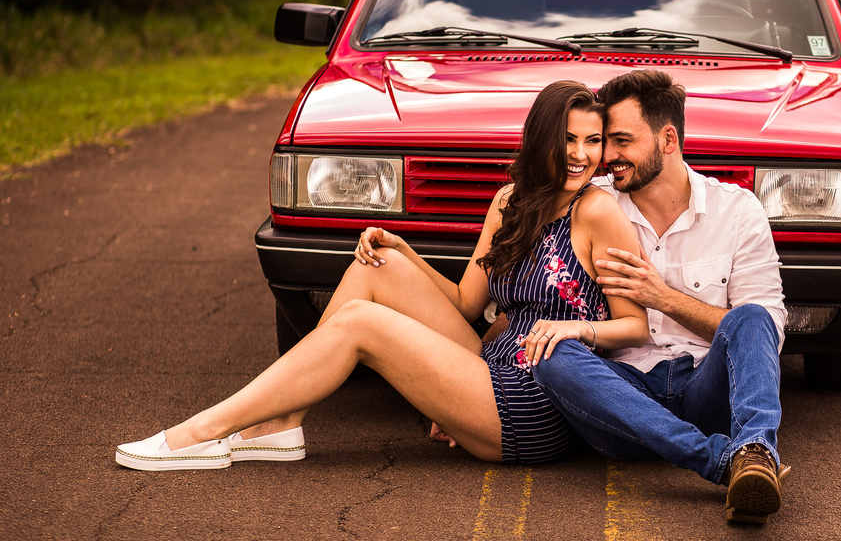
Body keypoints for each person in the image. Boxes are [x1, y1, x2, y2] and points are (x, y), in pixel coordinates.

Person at [115, 80, 648, 471]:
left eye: (593, 141)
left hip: (535, 404)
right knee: (378, 263)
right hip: (490, 368)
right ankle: (282, 423)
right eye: (568, 139)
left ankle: (203, 431)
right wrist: (404, 250)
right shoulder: (511, 200)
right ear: (540, 138)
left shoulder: (598, 213)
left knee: (360, 323)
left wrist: (573, 329)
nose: (581, 155)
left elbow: (636, 327)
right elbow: (465, 303)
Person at [528, 69, 790, 524]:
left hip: (707, 388)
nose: (607, 156)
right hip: (622, 397)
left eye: (622, 141)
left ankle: (754, 449)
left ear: (668, 139)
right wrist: (469, 401)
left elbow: (767, 333)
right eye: (606, 142)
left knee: (752, 316)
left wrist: (665, 299)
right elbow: (526, 300)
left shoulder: (735, 210)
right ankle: (725, 462)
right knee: (553, 353)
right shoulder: (590, 205)